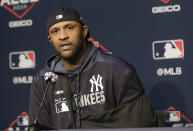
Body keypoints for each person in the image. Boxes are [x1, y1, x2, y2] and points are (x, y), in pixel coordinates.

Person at [28, 6, 160, 129]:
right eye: (55, 31)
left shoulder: (116, 70)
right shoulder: (42, 81)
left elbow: (143, 123)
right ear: (50, 39)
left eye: (69, 28)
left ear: (84, 31)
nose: (63, 36)